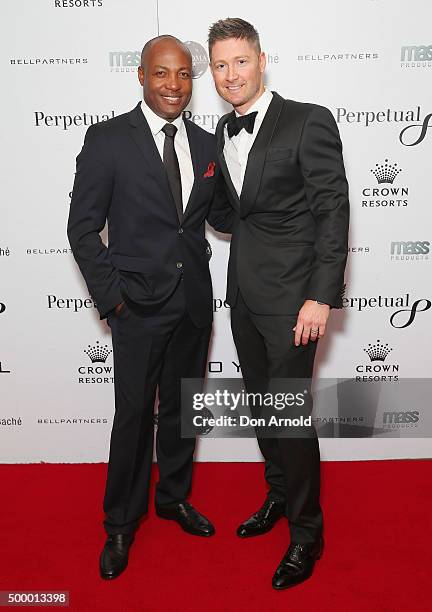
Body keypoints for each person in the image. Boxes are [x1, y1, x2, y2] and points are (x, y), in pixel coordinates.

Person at [67, 34, 232, 580]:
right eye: (162, 74)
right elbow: (83, 228)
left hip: (192, 303)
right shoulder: (108, 139)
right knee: (134, 418)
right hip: (136, 305)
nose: (174, 85)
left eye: (184, 75)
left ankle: (174, 498)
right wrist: (112, 298)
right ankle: (120, 522)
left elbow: (222, 218)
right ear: (141, 75)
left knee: (181, 410)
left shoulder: (208, 145)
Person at [208, 18, 349, 589]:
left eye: (240, 61)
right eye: (220, 65)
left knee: (289, 416)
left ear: (262, 61)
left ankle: (306, 535)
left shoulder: (308, 120)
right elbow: (233, 210)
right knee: (266, 411)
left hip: (294, 299)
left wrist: (321, 296)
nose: (230, 74)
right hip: (244, 294)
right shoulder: (221, 130)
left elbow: (333, 212)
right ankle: (277, 496)